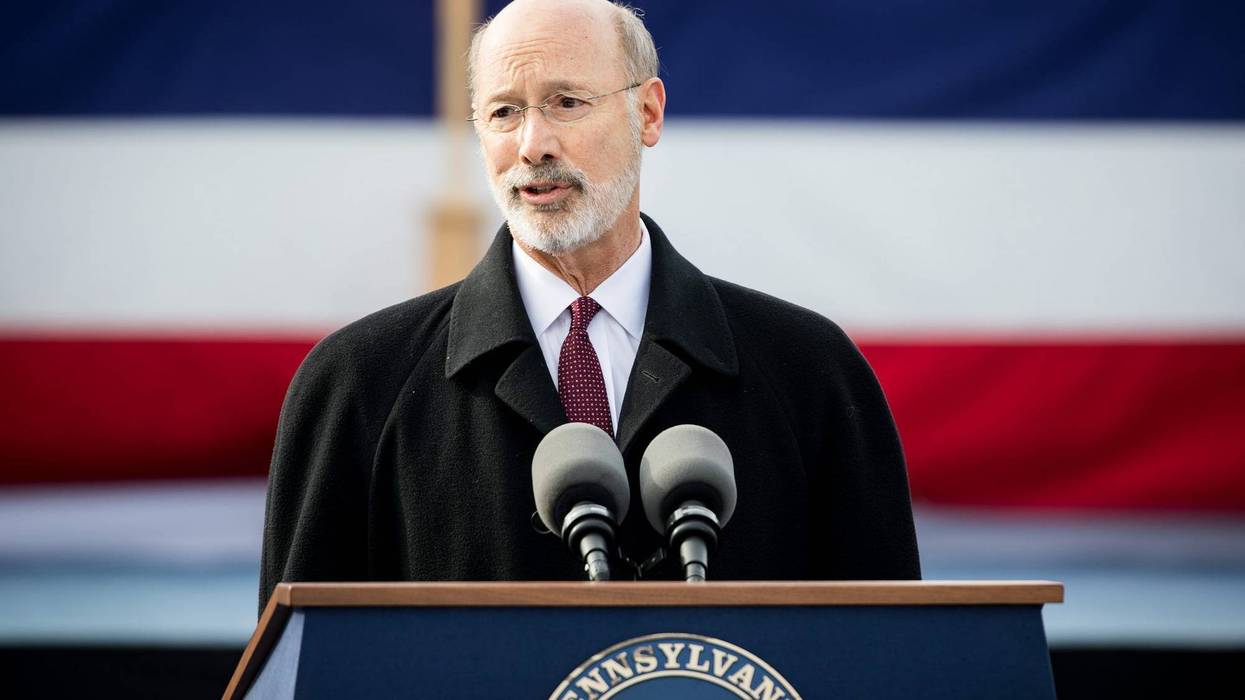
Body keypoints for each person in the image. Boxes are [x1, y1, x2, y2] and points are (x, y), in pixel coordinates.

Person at [260, 0, 919, 609]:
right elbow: (303, 666)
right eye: (502, 112)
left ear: (648, 113)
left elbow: (889, 656)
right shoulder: (355, 384)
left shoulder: (810, 372)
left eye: (566, 101)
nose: (531, 145)